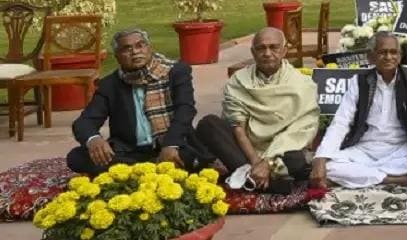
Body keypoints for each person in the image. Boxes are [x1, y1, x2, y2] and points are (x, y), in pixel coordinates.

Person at [195, 27, 320, 193]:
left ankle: (249, 178)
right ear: (253, 53)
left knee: (295, 159)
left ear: (284, 51)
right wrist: (256, 162)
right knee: (208, 125)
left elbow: (299, 131)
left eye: (273, 47)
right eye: (261, 48)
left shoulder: (302, 84)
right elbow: (237, 127)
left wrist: (268, 162)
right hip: (247, 152)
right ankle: (268, 181)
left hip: (281, 152)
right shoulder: (239, 81)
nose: (267, 53)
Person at [68, 28, 209, 174]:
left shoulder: (175, 72)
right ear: (117, 56)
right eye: (126, 49)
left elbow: (185, 110)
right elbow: (85, 122)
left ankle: (134, 174)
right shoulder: (110, 84)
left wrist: (171, 144)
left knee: (185, 156)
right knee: (77, 157)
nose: (135, 52)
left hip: (171, 145)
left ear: (149, 48)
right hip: (129, 153)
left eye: (140, 45)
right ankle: (150, 171)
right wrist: (94, 139)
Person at [310, 32, 407, 189]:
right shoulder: (360, 82)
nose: (389, 57)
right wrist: (320, 158)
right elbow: (341, 122)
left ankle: (361, 178)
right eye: (382, 52)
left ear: (400, 56)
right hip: (364, 150)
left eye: (393, 52)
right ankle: (396, 180)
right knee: (329, 166)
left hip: (401, 149)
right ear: (371, 57)